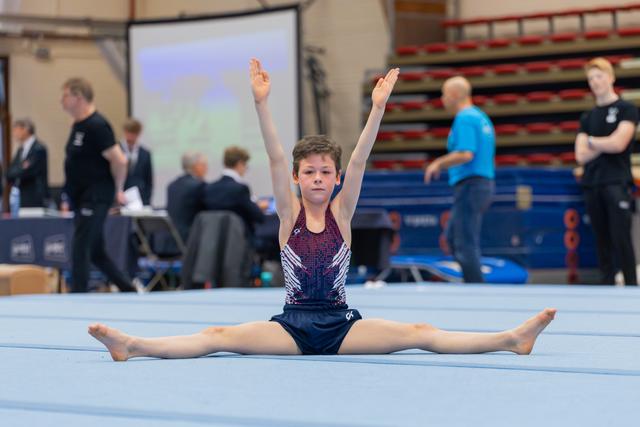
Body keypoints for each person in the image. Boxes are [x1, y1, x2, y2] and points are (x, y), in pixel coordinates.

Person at [88, 59, 555, 361]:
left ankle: (511, 339)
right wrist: (260, 103)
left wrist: (377, 109)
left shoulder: (343, 213)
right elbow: (273, 156)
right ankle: (132, 345)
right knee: (217, 335)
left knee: (421, 332)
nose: (317, 178)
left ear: (334, 180)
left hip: (341, 326)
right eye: (308, 171)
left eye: (324, 172)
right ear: (296, 178)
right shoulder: (288, 216)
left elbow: (360, 158)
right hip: (292, 327)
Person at [61, 77, 137, 293]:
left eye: (64, 96)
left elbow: (119, 160)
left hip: (95, 196)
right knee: (96, 251)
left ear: (78, 97)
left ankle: (77, 295)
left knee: (81, 246)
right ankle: (128, 288)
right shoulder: (78, 124)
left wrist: (118, 189)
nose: (61, 101)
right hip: (80, 195)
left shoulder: (97, 125)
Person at [424, 76, 495, 283]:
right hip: (480, 184)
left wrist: (438, 163)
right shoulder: (480, 117)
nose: (443, 99)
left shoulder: (464, 118)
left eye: (444, 94)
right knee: (455, 237)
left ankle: (476, 288)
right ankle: (472, 282)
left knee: (464, 241)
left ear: (454, 95)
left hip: (471, 184)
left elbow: (465, 153)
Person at [575, 58, 639, 285]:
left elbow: (619, 144)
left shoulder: (627, 109)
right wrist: (603, 143)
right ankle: (605, 287)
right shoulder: (587, 117)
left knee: (621, 238)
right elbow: (580, 155)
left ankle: (631, 286)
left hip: (616, 182)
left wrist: (591, 142)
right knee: (600, 241)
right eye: (590, 78)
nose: (594, 82)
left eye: (599, 76)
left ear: (611, 77)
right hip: (593, 183)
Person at [202, 146, 266, 236]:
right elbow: (259, 217)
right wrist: (258, 206)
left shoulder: (209, 188)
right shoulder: (240, 189)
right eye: (245, 166)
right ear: (240, 164)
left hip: (216, 240)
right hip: (241, 240)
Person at [5, 118, 49, 208]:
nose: (14, 134)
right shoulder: (21, 150)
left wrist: (20, 169)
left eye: (16, 130)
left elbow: (28, 172)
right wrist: (21, 167)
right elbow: (9, 173)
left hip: (35, 197)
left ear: (25, 129)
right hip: (20, 196)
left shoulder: (38, 148)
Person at [166, 152, 208, 243]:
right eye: (204, 165)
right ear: (195, 166)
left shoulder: (172, 185)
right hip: (189, 239)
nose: (206, 168)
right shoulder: (199, 186)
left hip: (169, 239)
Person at [120, 118, 153, 206]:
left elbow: (148, 180)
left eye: (134, 133)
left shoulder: (145, 153)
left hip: (139, 199)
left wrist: (146, 201)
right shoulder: (117, 150)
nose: (130, 136)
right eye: (128, 132)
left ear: (138, 134)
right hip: (119, 198)